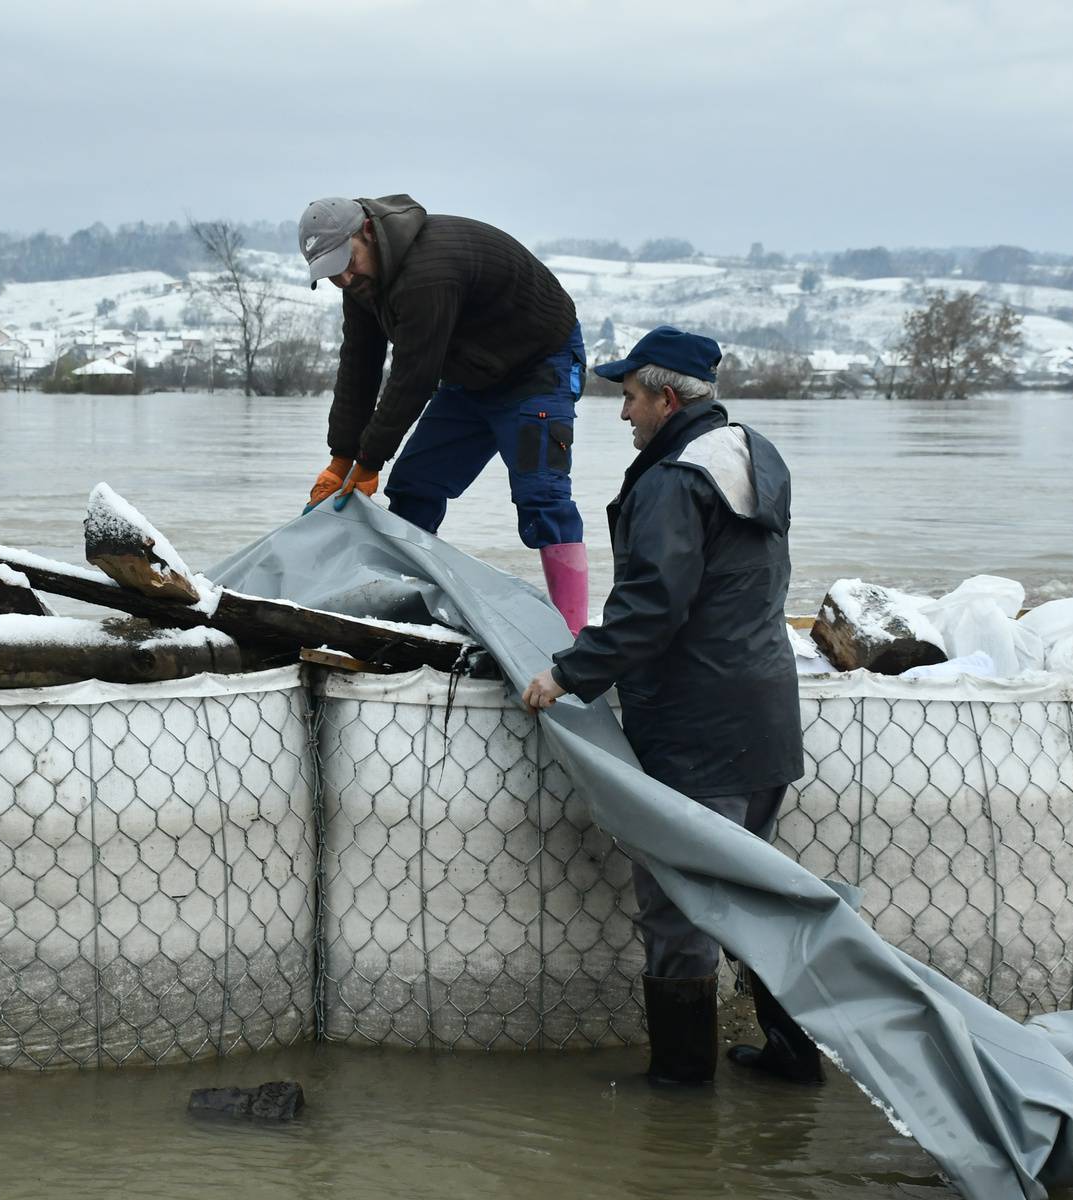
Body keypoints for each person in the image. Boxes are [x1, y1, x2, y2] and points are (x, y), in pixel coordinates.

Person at [519, 325, 818, 1087]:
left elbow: (654, 607)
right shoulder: (751, 453)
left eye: (628, 397)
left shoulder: (672, 481)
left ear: (663, 397)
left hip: (696, 727)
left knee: (681, 905)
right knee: (756, 892)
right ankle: (793, 1058)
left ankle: (681, 1086)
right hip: (763, 713)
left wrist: (569, 673)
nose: (623, 415)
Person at [298, 195, 591, 633]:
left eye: (346, 261)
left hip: (538, 367)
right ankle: (404, 615)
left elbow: (414, 375)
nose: (343, 276)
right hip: (470, 372)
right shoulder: (359, 284)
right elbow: (358, 364)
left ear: (367, 232)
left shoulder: (427, 272)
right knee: (414, 486)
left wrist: (370, 459)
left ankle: (574, 634)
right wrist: (342, 456)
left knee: (541, 498)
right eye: (330, 271)